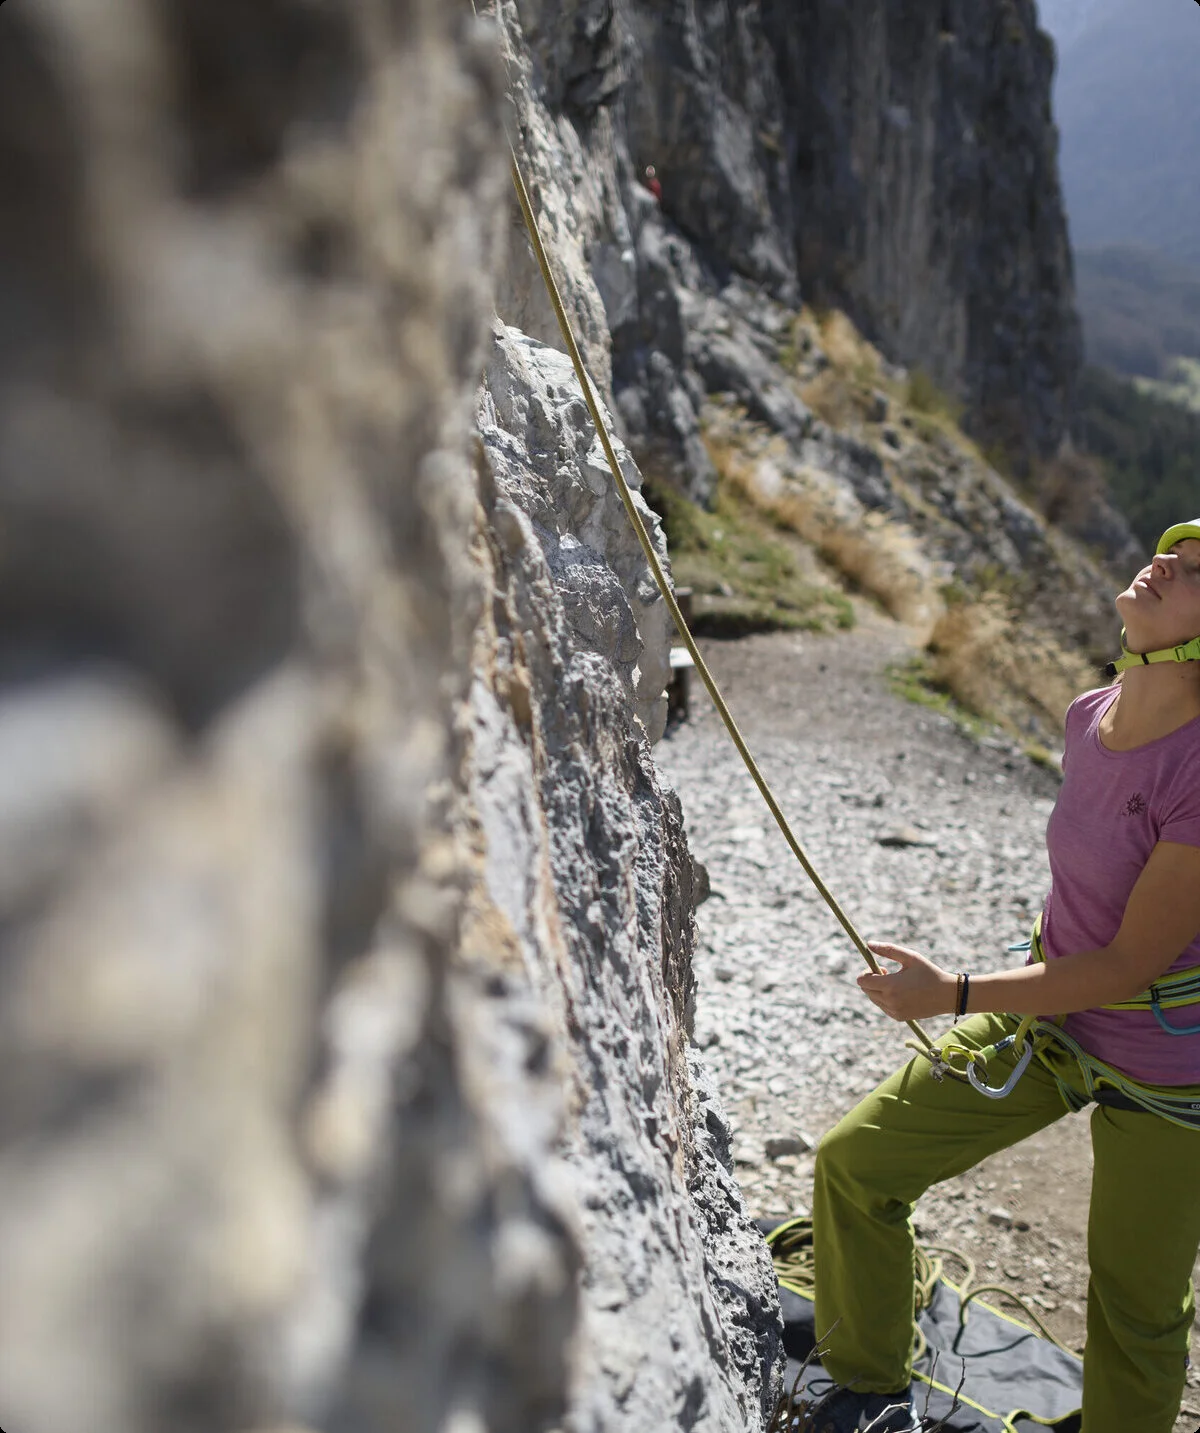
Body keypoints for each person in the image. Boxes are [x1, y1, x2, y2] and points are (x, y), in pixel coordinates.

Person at [810, 520, 1200, 1433]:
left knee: (1135, 1316)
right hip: (1055, 1020)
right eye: (1172, 549)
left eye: (1195, 573)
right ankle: (866, 1394)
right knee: (856, 1164)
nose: (1164, 564)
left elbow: (1128, 965)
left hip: (1170, 1072)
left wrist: (953, 994)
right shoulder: (1085, 716)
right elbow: (1086, 916)